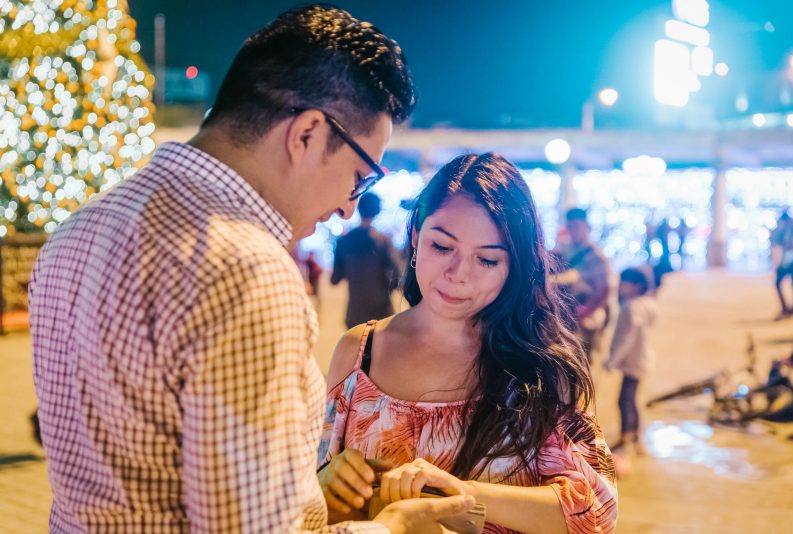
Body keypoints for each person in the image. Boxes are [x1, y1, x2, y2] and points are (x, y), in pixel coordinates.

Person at [28, 6, 475, 532]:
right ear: (307, 134)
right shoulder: (246, 270)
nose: (348, 207)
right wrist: (393, 527)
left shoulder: (82, 226)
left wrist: (309, 496)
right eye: (359, 177)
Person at [317, 154, 618, 533]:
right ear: (415, 237)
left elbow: (595, 511)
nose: (458, 275)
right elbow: (315, 489)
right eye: (442, 247)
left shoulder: (541, 366)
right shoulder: (359, 353)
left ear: (514, 267)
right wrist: (325, 486)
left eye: (487, 260)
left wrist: (464, 493)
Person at [603, 267, 657, 457]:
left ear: (636, 286)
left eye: (624, 283)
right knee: (631, 399)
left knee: (624, 400)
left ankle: (627, 438)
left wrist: (612, 361)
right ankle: (635, 436)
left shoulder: (631, 307)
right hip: (643, 359)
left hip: (634, 361)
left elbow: (627, 338)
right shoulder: (648, 304)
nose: (620, 287)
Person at [332, 192, 400, 328]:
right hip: (382, 314)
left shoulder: (344, 241)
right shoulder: (383, 241)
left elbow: (335, 279)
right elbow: (396, 279)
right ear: (377, 211)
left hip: (356, 315)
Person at [554, 207, 611, 363]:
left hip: (585, 319)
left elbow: (603, 290)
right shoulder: (562, 250)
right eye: (571, 226)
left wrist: (583, 314)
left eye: (578, 226)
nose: (574, 230)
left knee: (581, 362)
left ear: (586, 226)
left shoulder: (596, 256)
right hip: (565, 316)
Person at [770, 211, 793, 318]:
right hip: (789, 259)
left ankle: (789, 309)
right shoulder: (788, 228)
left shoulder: (791, 228)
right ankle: (788, 309)